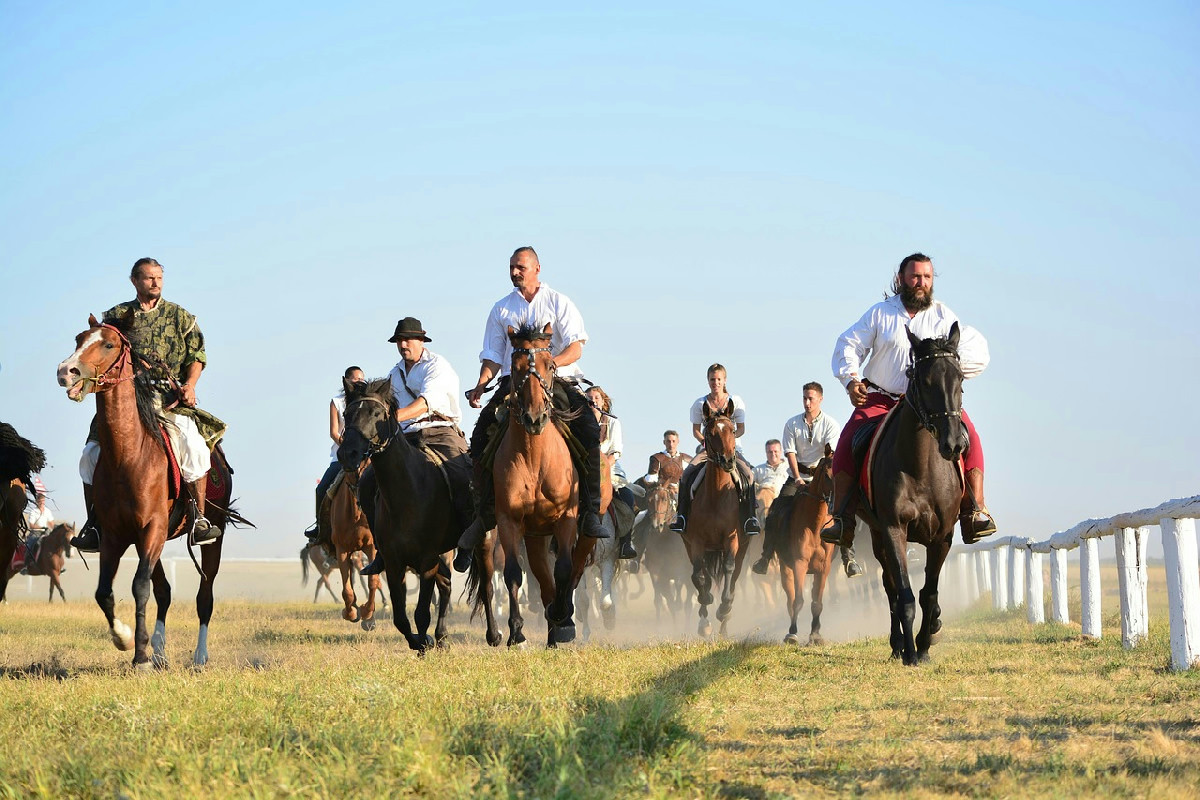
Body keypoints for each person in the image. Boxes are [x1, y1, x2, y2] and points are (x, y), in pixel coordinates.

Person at [821, 252, 997, 550]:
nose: (921, 282)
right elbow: (848, 344)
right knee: (848, 440)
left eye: (927, 277)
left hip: (930, 405)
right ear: (901, 279)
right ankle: (842, 519)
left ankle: (975, 510)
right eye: (915, 276)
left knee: (970, 436)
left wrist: (949, 374)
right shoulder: (880, 313)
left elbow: (977, 352)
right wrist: (851, 380)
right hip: (881, 398)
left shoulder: (944, 317)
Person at [454, 246, 608, 573]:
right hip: (514, 384)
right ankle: (482, 515)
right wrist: (482, 384)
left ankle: (591, 512)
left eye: (520, 267)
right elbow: (493, 356)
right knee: (480, 436)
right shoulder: (501, 308)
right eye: (511, 267)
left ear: (537, 267)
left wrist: (551, 363)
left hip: (558, 381)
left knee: (589, 430)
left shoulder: (558, 301)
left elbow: (576, 346)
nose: (515, 272)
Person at [72, 258, 227, 552]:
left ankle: (197, 519)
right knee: (90, 455)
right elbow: (98, 355)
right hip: (124, 402)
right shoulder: (116, 317)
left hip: (169, 401)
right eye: (148, 278)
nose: (155, 283)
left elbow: (197, 356)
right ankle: (94, 524)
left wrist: (190, 385)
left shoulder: (181, 317)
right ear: (134, 281)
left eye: (159, 277)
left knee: (193, 447)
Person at [358, 317, 474, 576]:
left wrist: (391, 419)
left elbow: (425, 402)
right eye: (399, 340)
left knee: (461, 473)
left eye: (408, 339)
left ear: (421, 341)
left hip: (440, 430)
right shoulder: (393, 374)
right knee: (367, 482)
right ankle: (382, 549)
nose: (403, 344)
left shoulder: (437, 366)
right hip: (406, 435)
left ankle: (468, 540)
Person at [753, 382, 861, 576]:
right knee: (776, 509)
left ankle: (849, 558)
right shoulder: (792, 424)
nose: (807, 402)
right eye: (804, 398)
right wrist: (796, 478)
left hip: (823, 479)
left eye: (811, 398)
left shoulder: (831, 424)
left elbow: (831, 456)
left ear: (820, 399)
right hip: (798, 477)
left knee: (841, 509)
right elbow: (790, 453)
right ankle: (766, 556)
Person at [669, 363, 761, 536]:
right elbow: (696, 430)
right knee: (687, 475)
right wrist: (708, 442)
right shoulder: (700, 403)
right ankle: (681, 517)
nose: (715, 383)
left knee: (749, 475)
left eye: (719, 379)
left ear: (724, 380)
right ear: (708, 381)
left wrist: (728, 441)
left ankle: (750, 518)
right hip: (708, 450)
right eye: (712, 379)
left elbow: (741, 428)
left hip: (731, 450)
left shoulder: (736, 401)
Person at [306, 366, 365, 546]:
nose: (360, 383)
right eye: (356, 380)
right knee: (321, 489)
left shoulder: (366, 402)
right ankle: (320, 527)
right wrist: (349, 448)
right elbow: (333, 432)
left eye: (362, 379)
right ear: (347, 382)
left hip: (365, 455)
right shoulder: (337, 402)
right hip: (343, 456)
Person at [588, 386, 638, 559]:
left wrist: (602, 469)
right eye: (590, 398)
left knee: (627, 496)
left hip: (610, 467)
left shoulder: (613, 422)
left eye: (596, 398)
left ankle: (625, 543)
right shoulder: (580, 421)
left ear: (604, 402)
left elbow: (614, 453)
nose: (593, 401)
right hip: (585, 467)